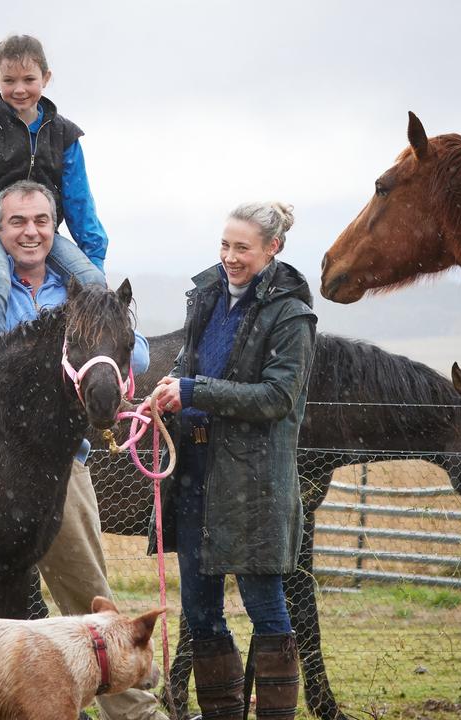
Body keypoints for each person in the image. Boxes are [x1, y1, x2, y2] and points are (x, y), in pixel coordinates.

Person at [0, 180, 167, 720]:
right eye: (17, 223)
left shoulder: (80, 294)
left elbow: (136, 357)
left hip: (60, 467)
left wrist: (105, 329)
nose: (30, 232)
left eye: (42, 221)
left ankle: (135, 712)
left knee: (84, 589)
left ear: (55, 227)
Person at [147, 202, 317, 720]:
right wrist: (172, 382)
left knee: (266, 608)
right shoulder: (207, 296)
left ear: (273, 248)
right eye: (225, 245)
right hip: (195, 472)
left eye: (242, 247)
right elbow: (190, 360)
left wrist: (195, 389)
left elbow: (276, 398)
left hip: (254, 480)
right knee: (200, 613)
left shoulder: (291, 316)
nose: (230, 257)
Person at [0, 33, 108, 350]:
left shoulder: (64, 134)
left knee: (94, 283)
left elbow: (80, 200)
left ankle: (87, 357)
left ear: (46, 78)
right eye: (9, 80)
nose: (19, 89)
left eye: (29, 79)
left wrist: (94, 256)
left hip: (40, 229)